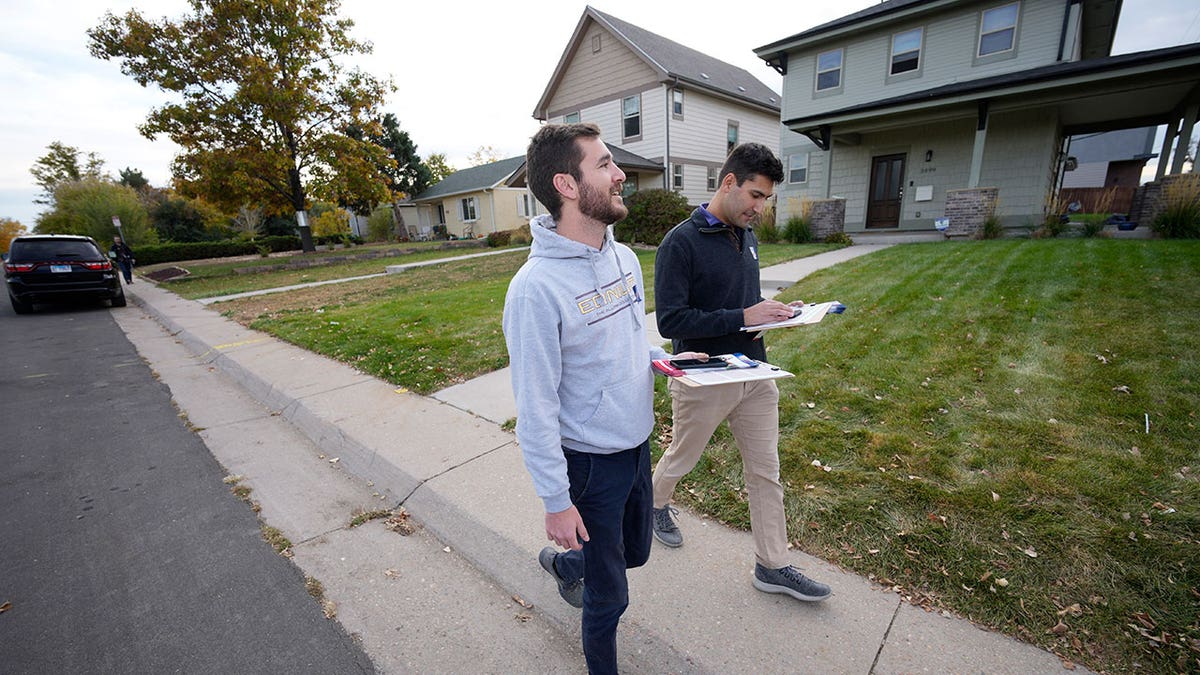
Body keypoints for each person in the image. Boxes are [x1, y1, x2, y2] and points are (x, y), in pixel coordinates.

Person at [502, 122, 703, 673]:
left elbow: (626, 342)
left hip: (635, 442)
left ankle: (570, 566)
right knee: (610, 596)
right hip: (588, 462)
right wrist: (555, 500)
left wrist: (663, 360)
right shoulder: (536, 290)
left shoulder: (624, 259)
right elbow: (535, 406)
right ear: (567, 185)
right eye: (606, 165)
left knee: (633, 551)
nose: (620, 177)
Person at [651, 142, 832, 603]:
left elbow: (743, 305)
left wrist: (777, 314)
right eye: (754, 195)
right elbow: (672, 322)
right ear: (728, 182)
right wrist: (744, 316)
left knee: (765, 472)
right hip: (705, 377)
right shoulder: (680, 243)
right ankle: (654, 504)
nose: (759, 207)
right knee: (681, 458)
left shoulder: (747, 236)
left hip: (754, 374)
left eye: (766, 199)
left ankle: (772, 565)